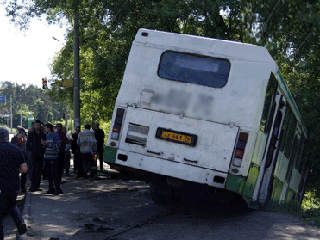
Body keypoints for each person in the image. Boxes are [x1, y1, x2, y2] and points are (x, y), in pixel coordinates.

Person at [0, 126, 28, 239]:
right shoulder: (16, 149)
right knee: (12, 205)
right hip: (13, 185)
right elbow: (24, 169)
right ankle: (20, 222)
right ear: (7, 136)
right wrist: (14, 171)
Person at [26, 119, 46, 192]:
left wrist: (42, 150)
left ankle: (38, 185)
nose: (37, 127)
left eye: (38, 125)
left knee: (39, 170)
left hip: (41, 154)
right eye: (35, 125)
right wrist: (31, 150)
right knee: (34, 170)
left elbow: (44, 143)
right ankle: (33, 186)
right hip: (34, 154)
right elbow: (28, 144)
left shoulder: (43, 134)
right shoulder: (31, 134)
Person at [43, 123, 63, 195]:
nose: (44, 129)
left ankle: (58, 188)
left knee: (54, 174)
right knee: (49, 174)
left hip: (53, 157)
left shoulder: (55, 135)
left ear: (49, 128)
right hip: (47, 157)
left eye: (45, 128)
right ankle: (50, 188)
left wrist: (48, 144)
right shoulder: (46, 135)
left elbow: (58, 145)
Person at [11, 127, 28, 193]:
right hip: (16, 158)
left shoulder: (25, 139)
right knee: (16, 173)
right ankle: (16, 187)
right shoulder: (14, 139)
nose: (24, 134)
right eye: (24, 133)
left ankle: (23, 187)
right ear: (21, 133)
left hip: (24, 158)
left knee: (24, 173)